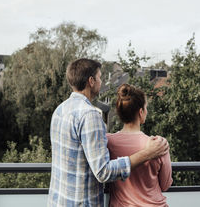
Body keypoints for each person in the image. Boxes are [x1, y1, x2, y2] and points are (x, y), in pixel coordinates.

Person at [48, 58, 169, 207]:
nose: (101, 82)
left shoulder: (60, 110)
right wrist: (148, 154)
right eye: (99, 77)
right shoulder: (90, 115)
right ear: (91, 81)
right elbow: (103, 172)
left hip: (58, 201)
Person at [107, 84, 173, 207]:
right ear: (141, 112)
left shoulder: (108, 142)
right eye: (146, 108)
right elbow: (165, 184)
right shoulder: (158, 144)